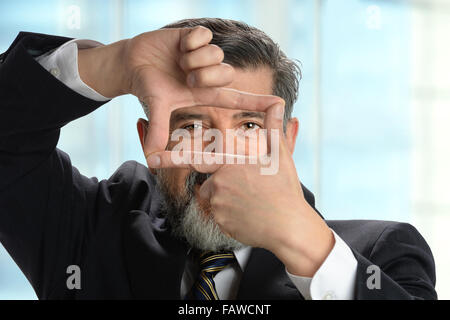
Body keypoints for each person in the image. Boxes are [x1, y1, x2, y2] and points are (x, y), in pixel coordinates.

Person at [0, 18, 436, 300]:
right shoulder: (93, 229)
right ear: (149, 141)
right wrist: (114, 63)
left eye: (249, 127)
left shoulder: (382, 256)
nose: (218, 156)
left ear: (287, 141)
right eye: (190, 127)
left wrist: (307, 247)